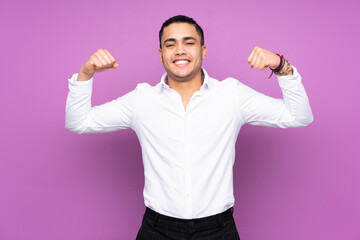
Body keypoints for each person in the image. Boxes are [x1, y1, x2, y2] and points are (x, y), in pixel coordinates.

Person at [65, 15, 313, 240]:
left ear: (203, 50)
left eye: (189, 42)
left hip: (219, 230)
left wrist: (281, 66)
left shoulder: (231, 94)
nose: (180, 50)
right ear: (160, 52)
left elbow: (298, 115)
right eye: (170, 44)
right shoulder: (142, 99)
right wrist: (86, 73)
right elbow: (79, 121)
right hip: (157, 229)